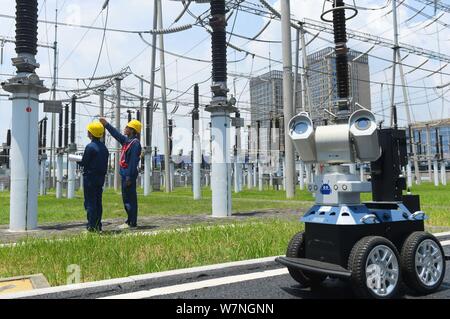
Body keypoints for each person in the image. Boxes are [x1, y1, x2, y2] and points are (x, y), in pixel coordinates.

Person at [99, 117, 142, 229]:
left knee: (130, 199)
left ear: (132, 130)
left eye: (127, 127)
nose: (125, 128)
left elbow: (133, 162)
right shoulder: (127, 141)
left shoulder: (135, 144)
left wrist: (128, 177)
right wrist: (106, 125)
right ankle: (129, 219)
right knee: (126, 198)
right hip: (125, 174)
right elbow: (116, 134)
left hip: (129, 175)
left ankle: (132, 222)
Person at [78, 121, 109, 232]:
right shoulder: (104, 148)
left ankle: (91, 226)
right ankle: (98, 224)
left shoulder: (90, 147)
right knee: (97, 202)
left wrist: (78, 161)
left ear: (91, 133)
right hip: (100, 178)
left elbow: (84, 162)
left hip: (90, 178)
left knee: (90, 202)